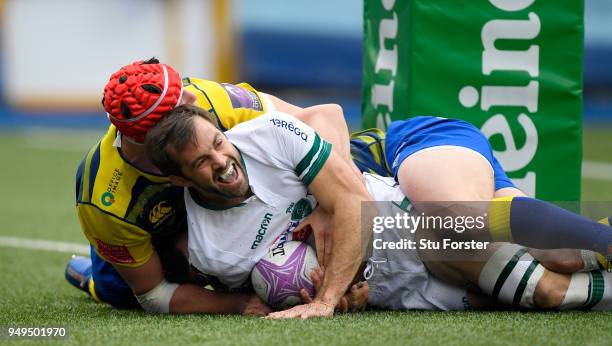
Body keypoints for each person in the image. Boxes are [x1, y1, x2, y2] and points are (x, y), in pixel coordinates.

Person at [144, 104, 612, 317]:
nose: (222, 161)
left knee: (463, 223)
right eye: (202, 163)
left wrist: (327, 299)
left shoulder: (266, 131)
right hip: (402, 289)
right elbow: (160, 293)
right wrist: (334, 296)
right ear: (181, 180)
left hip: (412, 199)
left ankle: (600, 238)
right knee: (548, 290)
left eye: (219, 144)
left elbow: (350, 188)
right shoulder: (212, 252)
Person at [66, 57, 357, 314]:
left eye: (182, 89)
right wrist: (241, 303)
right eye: (181, 103)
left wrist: (328, 205)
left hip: (227, 208)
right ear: (157, 137)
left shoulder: (210, 98)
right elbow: (153, 293)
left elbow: (320, 117)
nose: (193, 97)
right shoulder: (104, 200)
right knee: (121, 291)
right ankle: (94, 278)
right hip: (160, 239)